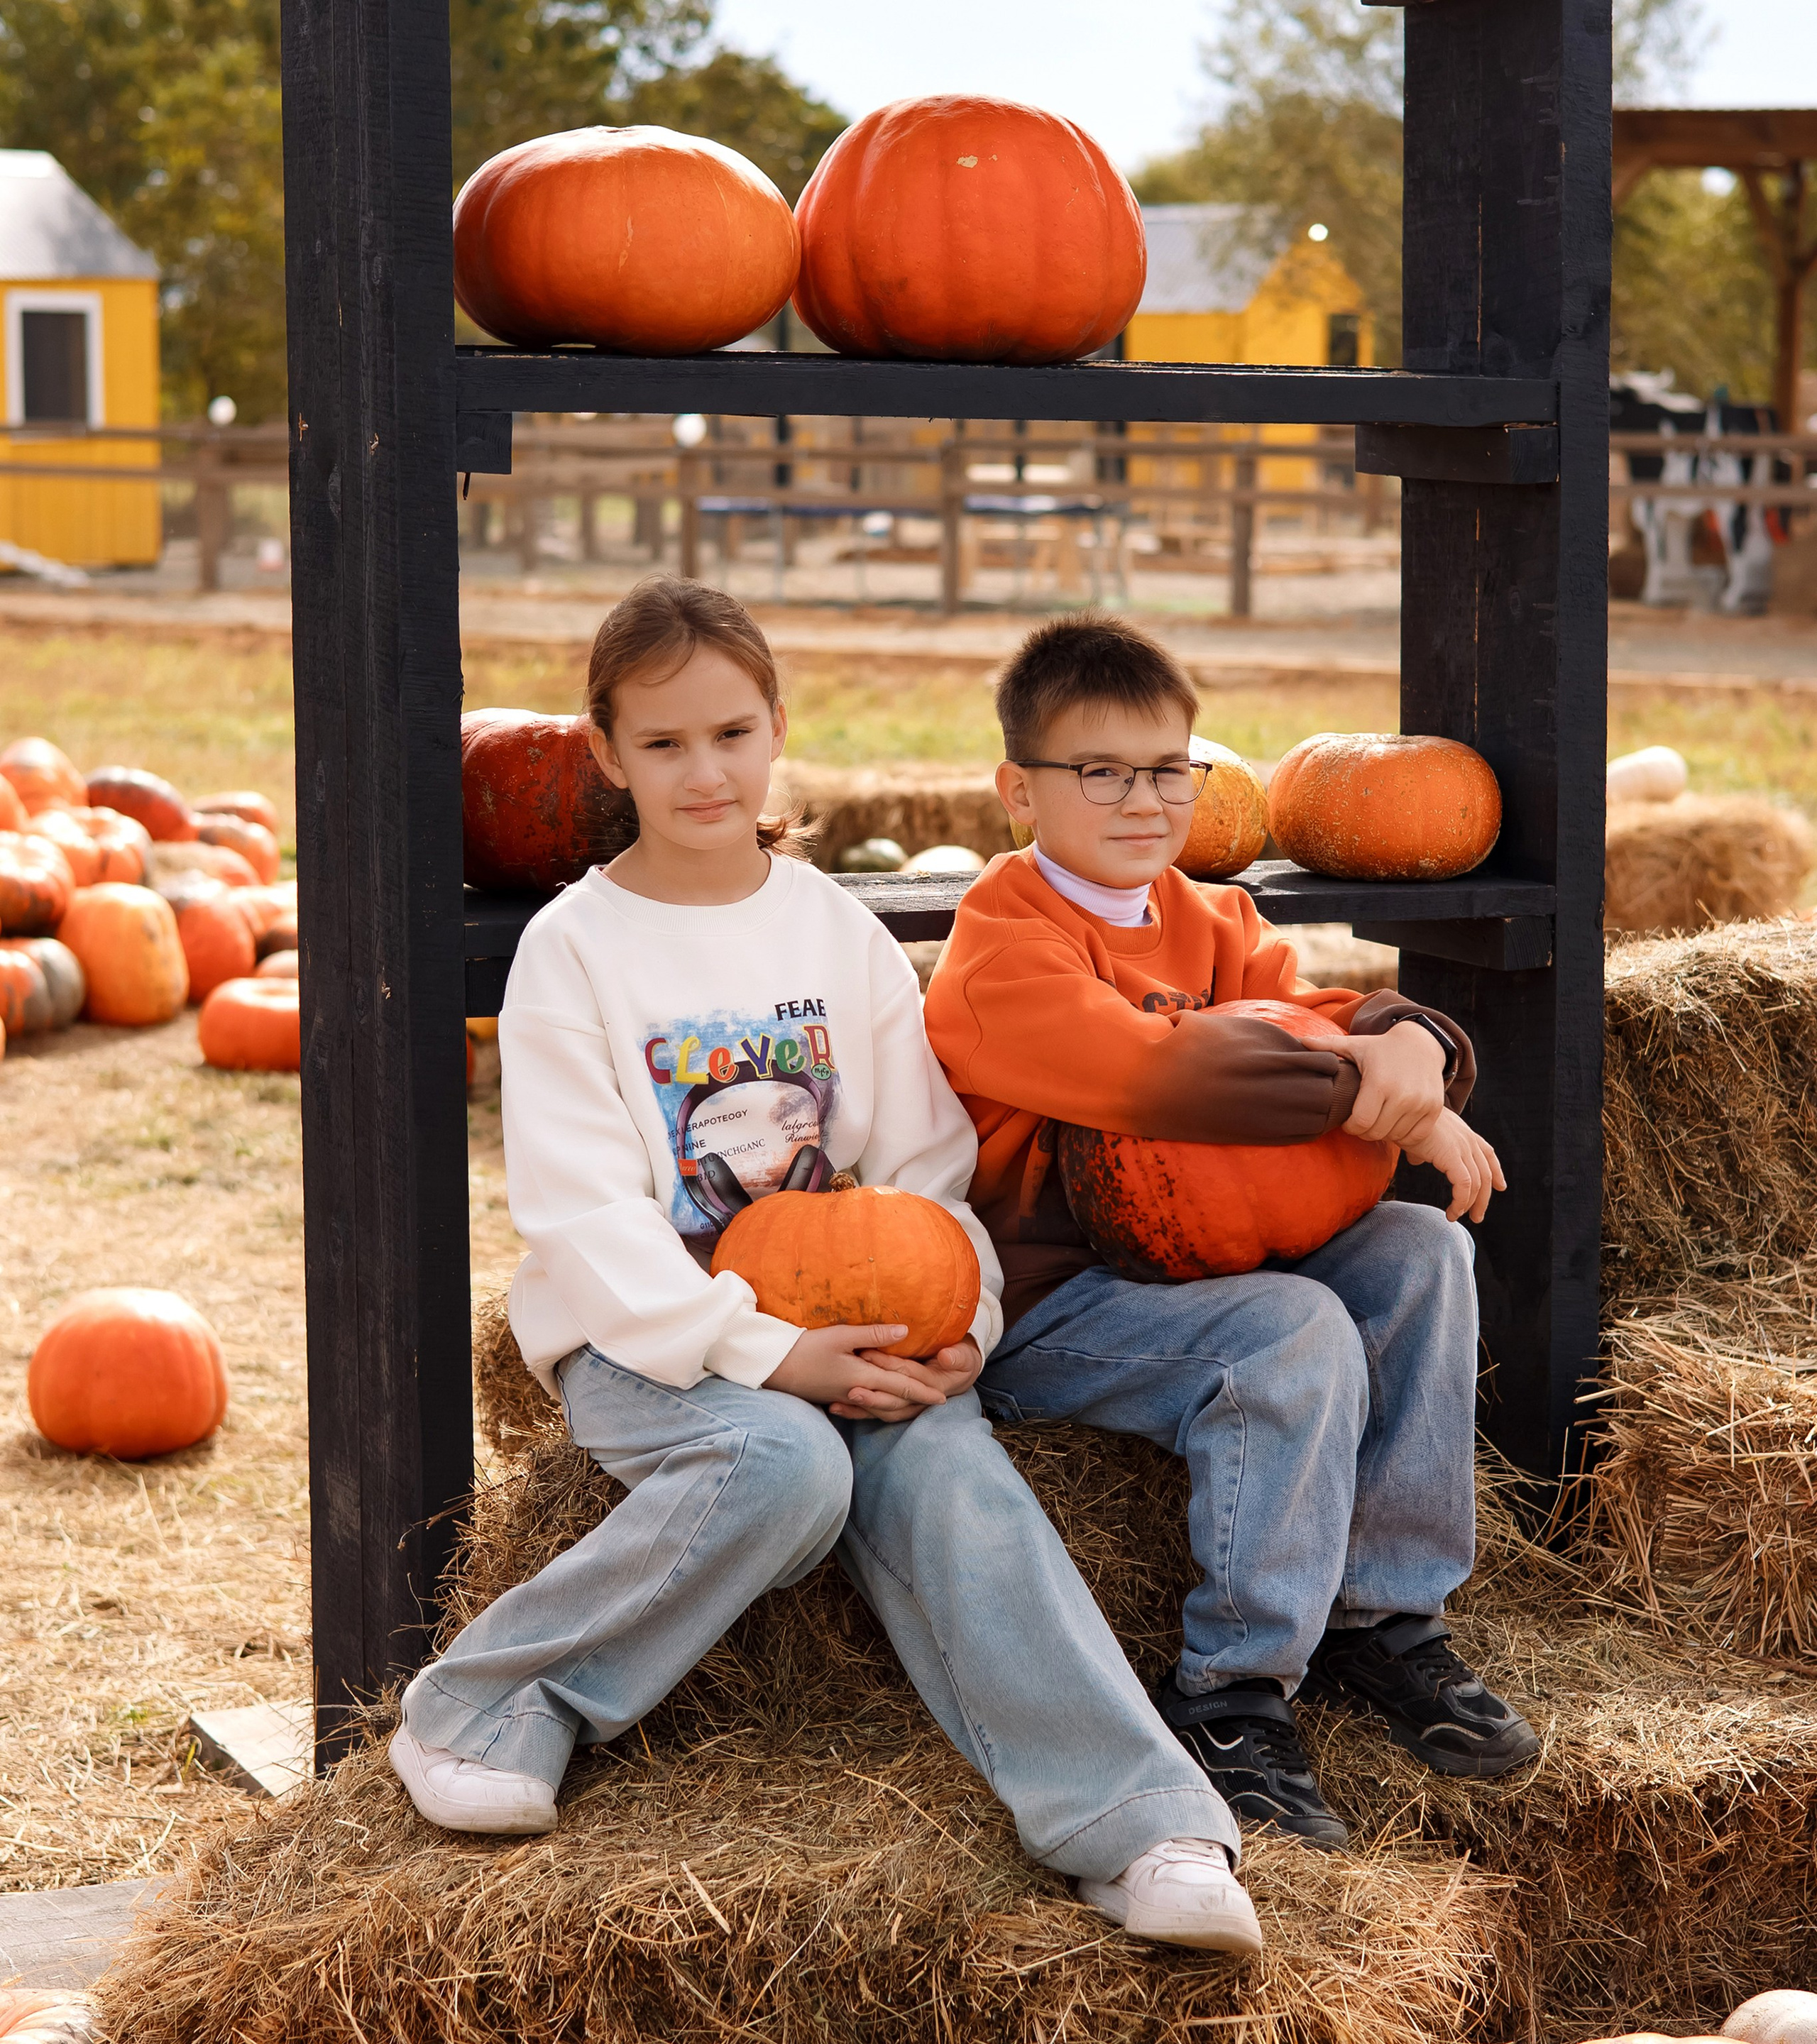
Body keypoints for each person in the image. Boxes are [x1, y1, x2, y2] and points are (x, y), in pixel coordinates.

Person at [389, 578, 1265, 1956]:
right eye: (663, 743)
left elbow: (922, 1166)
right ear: (606, 754)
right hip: (654, 1342)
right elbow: (583, 1216)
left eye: (731, 734)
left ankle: (1139, 1819)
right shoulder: (573, 953)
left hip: (855, 1314)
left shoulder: (834, 934)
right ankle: (485, 1707)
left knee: (953, 1474)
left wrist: (955, 1315)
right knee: (781, 1463)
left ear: (777, 733)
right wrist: (765, 1355)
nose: (704, 770)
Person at [922, 613, 1541, 1855]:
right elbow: (1168, 1078)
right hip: (1059, 1303)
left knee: (1425, 1256)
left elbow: (1304, 1006)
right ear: (1017, 790)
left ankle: (1386, 1616)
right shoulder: (1003, 951)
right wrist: (1387, 1098)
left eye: (1170, 767)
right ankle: (1233, 1692)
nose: (1144, 800)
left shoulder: (1206, 914)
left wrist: (1414, 1038)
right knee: (1292, 1327)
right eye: (1100, 772)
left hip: (1212, 1253)